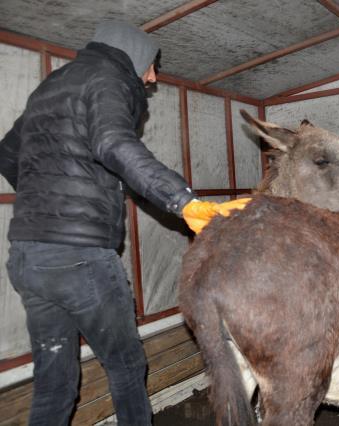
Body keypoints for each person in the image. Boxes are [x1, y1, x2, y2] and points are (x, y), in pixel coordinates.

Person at [0, 21, 249, 425]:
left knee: (54, 380)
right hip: (80, 261)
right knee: (127, 368)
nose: (151, 78)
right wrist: (184, 202)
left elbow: (8, 153)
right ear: (131, 54)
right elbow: (114, 142)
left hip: (29, 257)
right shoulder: (106, 78)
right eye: (151, 66)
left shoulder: (52, 85)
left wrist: (47, 203)